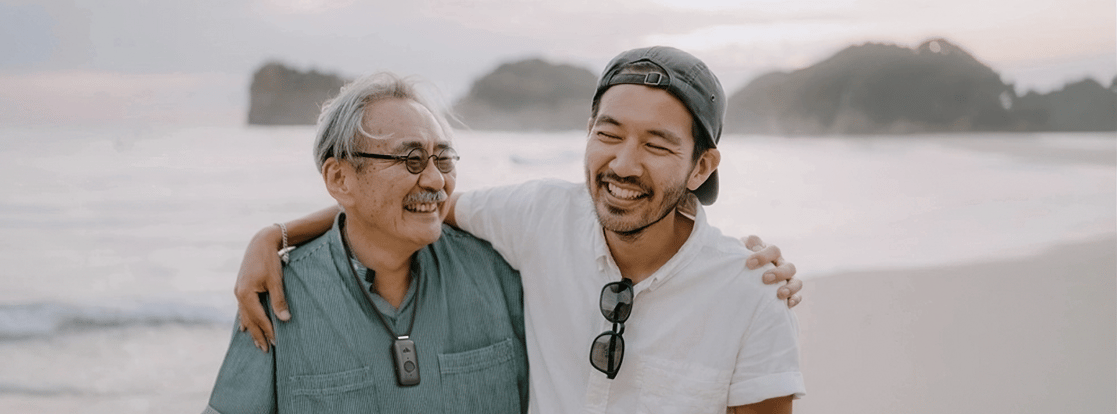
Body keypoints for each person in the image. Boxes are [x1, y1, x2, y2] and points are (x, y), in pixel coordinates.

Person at [236, 46, 806, 413]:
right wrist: (278, 235)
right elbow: (419, 202)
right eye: (609, 135)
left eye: (657, 145)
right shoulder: (540, 215)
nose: (624, 164)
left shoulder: (753, 293)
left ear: (701, 167)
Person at [204, 72, 528, 414]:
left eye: (443, 159)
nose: (436, 180)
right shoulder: (278, 297)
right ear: (340, 178)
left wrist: (276, 233)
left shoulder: (500, 274)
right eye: (412, 159)